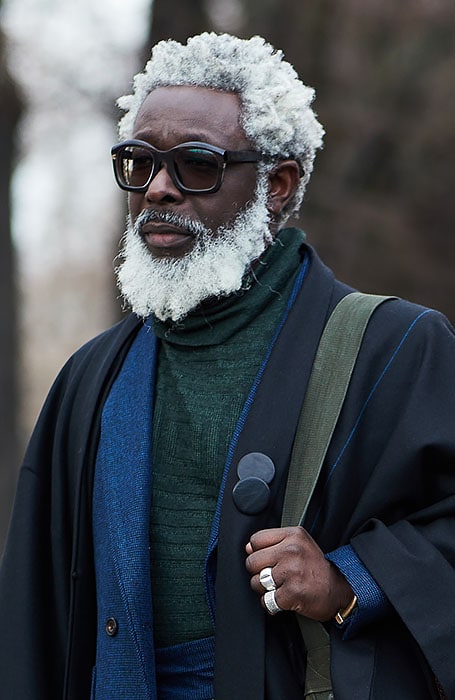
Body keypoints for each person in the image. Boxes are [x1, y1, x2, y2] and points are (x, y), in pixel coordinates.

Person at [0, 32, 454, 700]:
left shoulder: (394, 347)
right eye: (138, 162)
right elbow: (34, 615)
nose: (157, 189)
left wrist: (347, 582)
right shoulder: (90, 378)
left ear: (276, 184)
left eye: (196, 165)